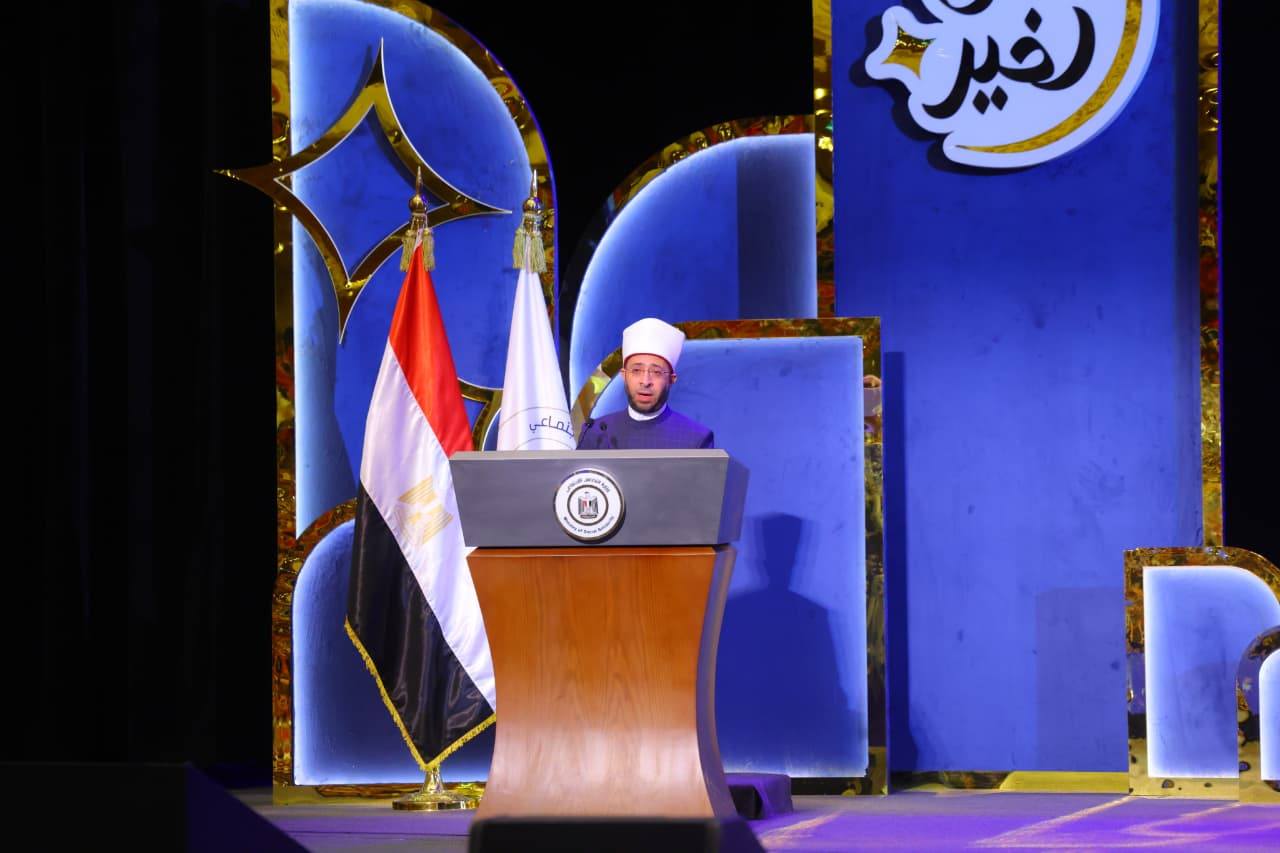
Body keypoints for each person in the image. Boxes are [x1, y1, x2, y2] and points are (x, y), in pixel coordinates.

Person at [577, 317, 714, 450]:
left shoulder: (695, 438)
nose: (645, 381)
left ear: (671, 379)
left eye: (656, 372)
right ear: (624, 375)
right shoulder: (597, 432)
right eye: (636, 370)